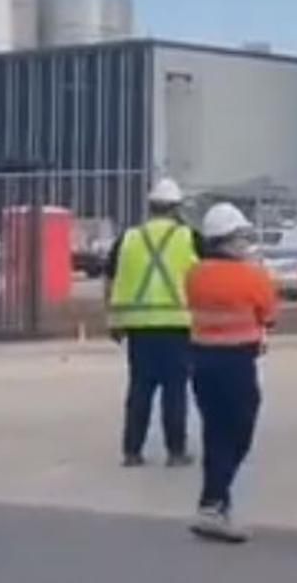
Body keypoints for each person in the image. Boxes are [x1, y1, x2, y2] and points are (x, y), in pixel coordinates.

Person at [185, 202, 277, 543]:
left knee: (215, 433)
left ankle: (216, 503)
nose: (245, 243)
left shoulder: (194, 275)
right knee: (239, 432)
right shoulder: (252, 275)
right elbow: (268, 314)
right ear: (228, 239)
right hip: (238, 363)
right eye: (241, 237)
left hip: (202, 362)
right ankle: (212, 504)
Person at [106, 178, 200, 468]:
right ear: (176, 208)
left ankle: (132, 451)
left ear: (150, 207)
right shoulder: (190, 237)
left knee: (140, 390)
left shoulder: (128, 238)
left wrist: (112, 319)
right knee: (175, 391)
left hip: (138, 328)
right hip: (177, 326)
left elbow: (109, 279)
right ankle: (176, 451)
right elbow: (205, 276)